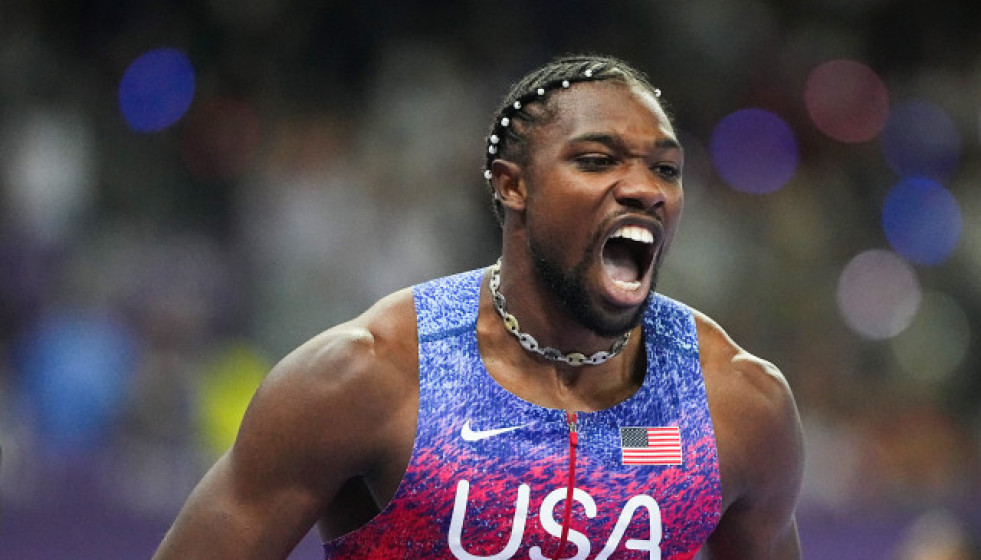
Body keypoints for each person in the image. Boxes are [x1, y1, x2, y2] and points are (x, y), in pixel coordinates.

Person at [152, 54, 804, 560]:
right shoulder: (367, 377)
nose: (643, 188)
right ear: (512, 185)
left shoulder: (736, 403)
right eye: (596, 160)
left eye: (665, 169)